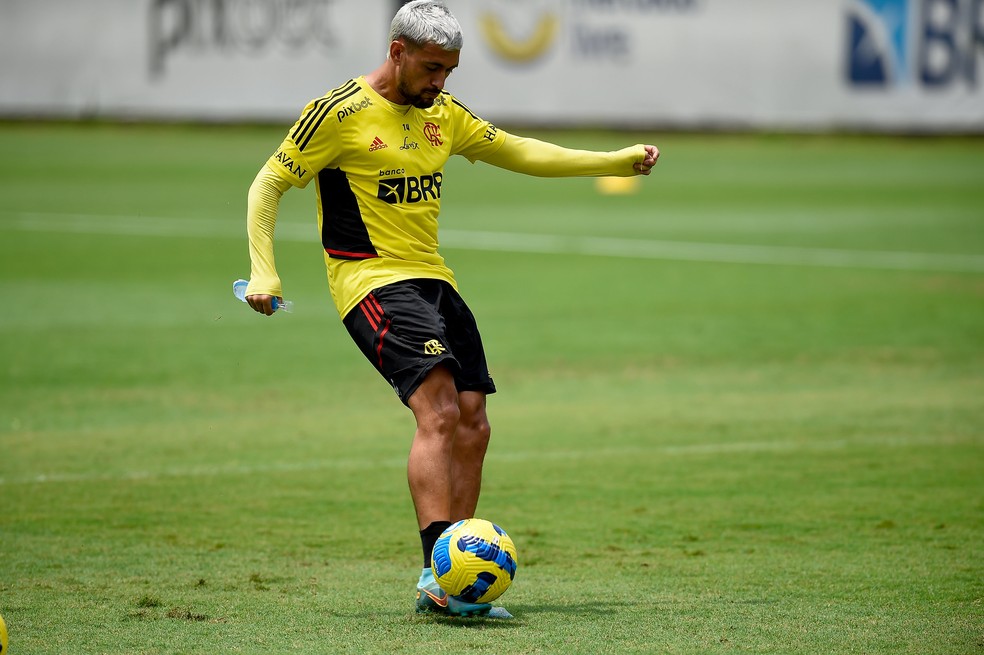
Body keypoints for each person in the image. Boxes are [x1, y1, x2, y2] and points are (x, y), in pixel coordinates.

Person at [242, 0, 659, 618]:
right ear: (397, 52)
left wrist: (613, 161)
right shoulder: (338, 113)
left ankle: (455, 584)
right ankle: (438, 573)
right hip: (371, 280)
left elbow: (517, 150)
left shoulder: (443, 114)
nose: (440, 81)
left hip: (434, 280)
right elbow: (269, 183)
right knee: (437, 409)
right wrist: (265, 270)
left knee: (473, 420)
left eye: (450, 71)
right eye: (431, 68)